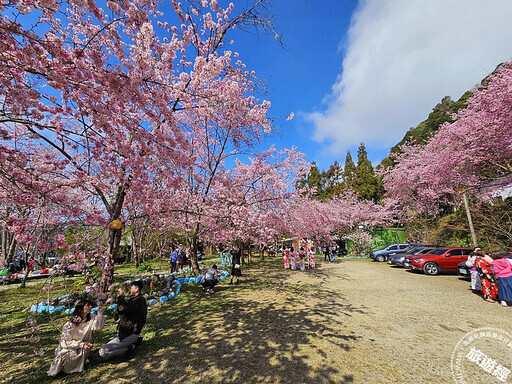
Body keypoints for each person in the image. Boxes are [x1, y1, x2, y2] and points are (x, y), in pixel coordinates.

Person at [47, 300, 105, 376]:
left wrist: (100, 313)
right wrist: (80, 344)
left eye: (91, 305)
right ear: (80, 309)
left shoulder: (91, 317)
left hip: (84, 345)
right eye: (87, 306)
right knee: (66, 355)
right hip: (70, 346)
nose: (90, 307)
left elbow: (98, 327)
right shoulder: (70, 324)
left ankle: (78, 365)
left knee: (81, 353)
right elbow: (65, 342)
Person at [99, 280, 147, 359]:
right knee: (106, 350)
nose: (130, 290)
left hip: (130, 333)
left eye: (131, 288)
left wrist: (121, 296)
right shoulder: (135, 300)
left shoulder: (139, 301)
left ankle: (128, 348)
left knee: (103, 352)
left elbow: (123, 309)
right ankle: (130, 345)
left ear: (137, 289)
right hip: (126, 332)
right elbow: (121, 310)